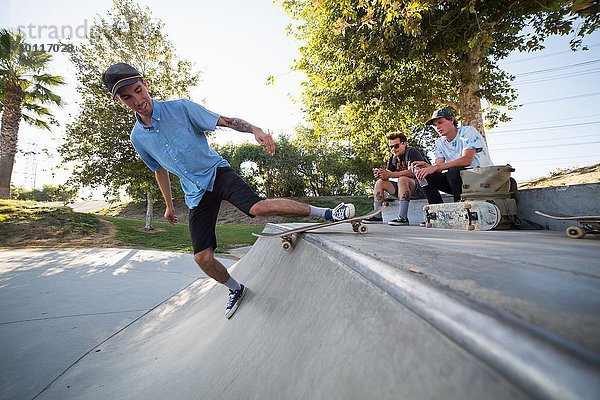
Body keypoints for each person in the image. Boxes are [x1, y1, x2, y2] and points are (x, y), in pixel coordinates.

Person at [102, 63, 355, 319]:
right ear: (120, 101)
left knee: (258, 208)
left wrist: (254, 129)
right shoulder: (138, 137)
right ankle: (235, 289)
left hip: (217, 173)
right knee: (202, 258)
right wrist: (168, 205)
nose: (137, 100)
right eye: (127, 97)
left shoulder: (181, 108)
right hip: (195, 193)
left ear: (145, 84)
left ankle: (329, 213)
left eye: (138, 90)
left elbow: (225, 121)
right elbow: (159, 169)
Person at [413, 108, 493, 203]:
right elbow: (439, 167)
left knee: (454, 170)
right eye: (435, 125)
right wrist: (427, 167)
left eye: (440, 122)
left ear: (451, 120)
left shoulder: (467, 131)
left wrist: (436, 167)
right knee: (425, 175)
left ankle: (459, 208)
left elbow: (467, 160)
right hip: (457, 182)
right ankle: (437, 210)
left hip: (480, 179)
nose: (437, 127)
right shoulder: (439, 142)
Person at [363, 132, 428, 226]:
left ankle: (403, 218)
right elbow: (388, 175)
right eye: (391, 147)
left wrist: (390, 174)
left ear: (403, 144)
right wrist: (381, 174)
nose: (393, 149)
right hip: (403, 189)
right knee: (380, 183)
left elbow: (412, 172)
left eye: (396, 146)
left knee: (402, 179)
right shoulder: (393, 159)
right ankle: (377, 216)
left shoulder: (412, 152)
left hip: (421, 187)